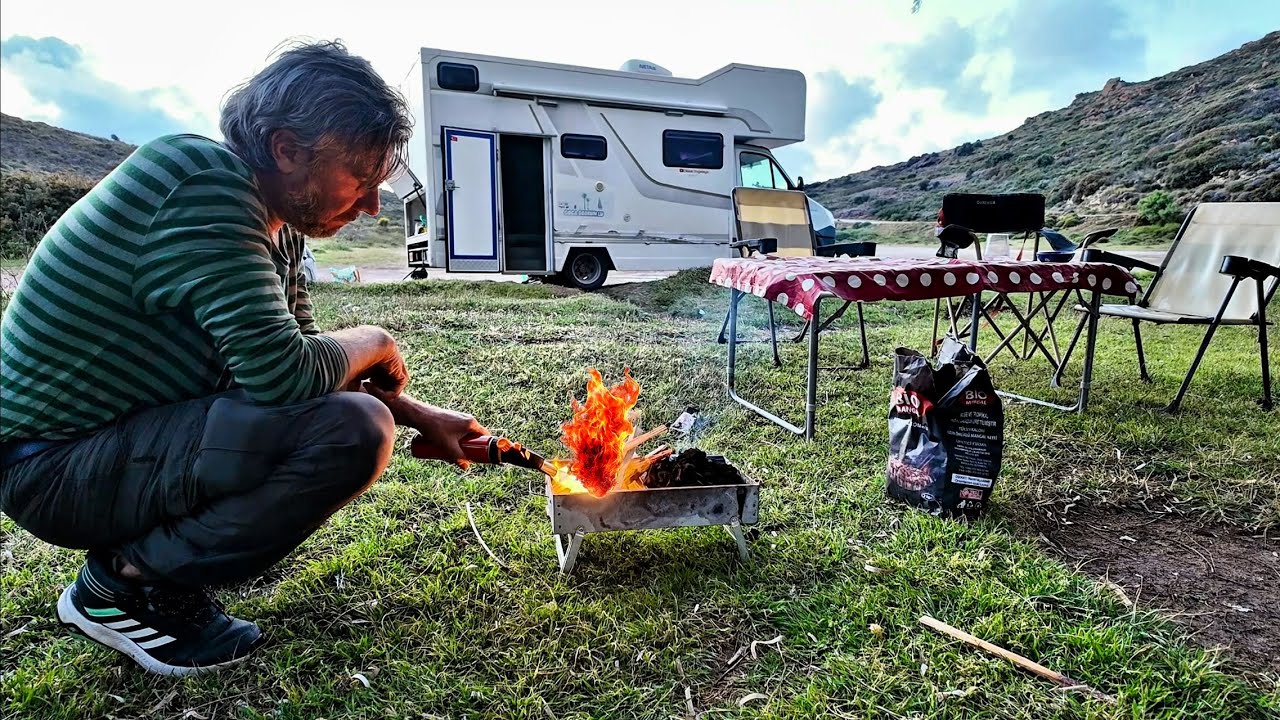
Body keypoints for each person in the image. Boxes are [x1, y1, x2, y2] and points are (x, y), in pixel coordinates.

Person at [0, 39, 489, 676]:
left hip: (98, 446)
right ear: (286, 149)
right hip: (49, 466)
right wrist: (379, 339)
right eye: (360, 180)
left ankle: (147, 560)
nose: (373, 205)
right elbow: (286, 376)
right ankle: (122, 586)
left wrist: (424, 417)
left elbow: (308, 367)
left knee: (348, 413)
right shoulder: (201, 185)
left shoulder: (271, 224)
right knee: (354, 431)